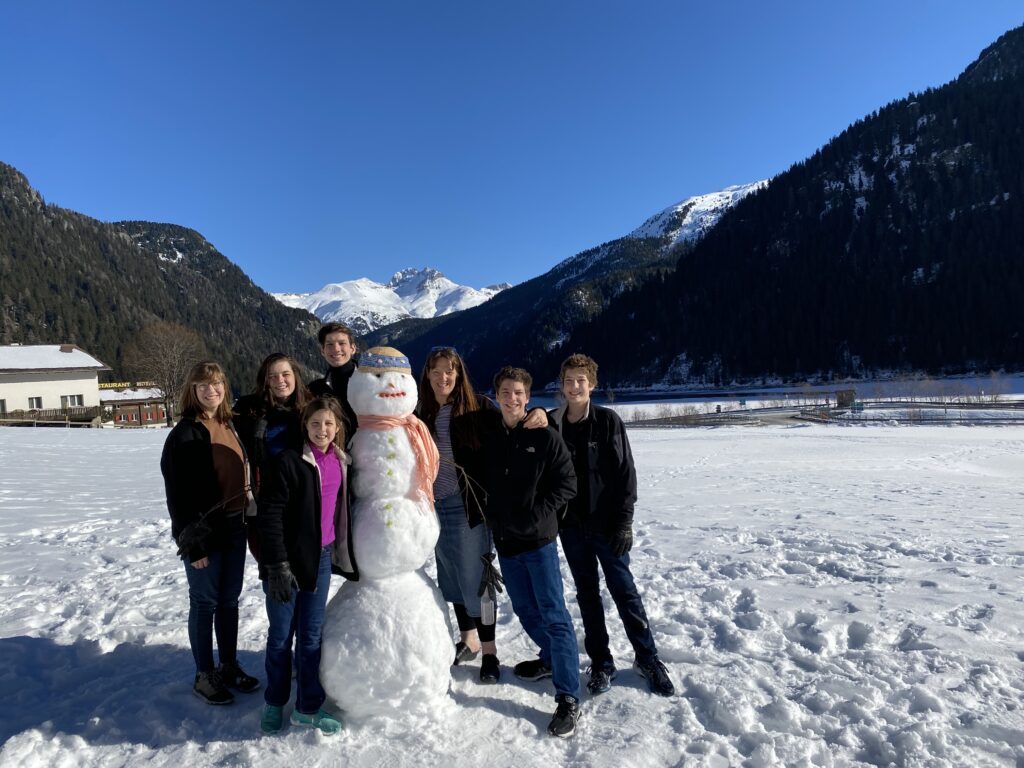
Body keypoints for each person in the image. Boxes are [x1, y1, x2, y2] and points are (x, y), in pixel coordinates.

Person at [550, 353, 675, 697]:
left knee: (624, 590)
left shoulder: (607, 421)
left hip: (607, 526)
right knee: (587, 595)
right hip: (572, 528)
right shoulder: (552, 422)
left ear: (592, 384)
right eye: (569, 380)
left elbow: (625, 474)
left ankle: (647, 658)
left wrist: (624, 522)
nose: (575, 386)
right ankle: (601, 662)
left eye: (581, 380)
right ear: (561, 385)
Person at [477, 366, 581, 738]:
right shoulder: (491, 436)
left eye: (519, 393)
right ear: (496, 395)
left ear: (527, 396)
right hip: (506, 543)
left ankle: (568, 696)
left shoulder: (544, 435)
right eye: (506, 392)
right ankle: (552, 659)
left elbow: (567, 483)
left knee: (554, 614)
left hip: (538, 542)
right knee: (523, 609)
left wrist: (538, 515)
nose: (512, 398)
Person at [160, 361, 261, 705]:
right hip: (204, 531)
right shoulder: (185, 434)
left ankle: (228, 665)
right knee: (205, 602)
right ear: (192, 391)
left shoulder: (230, 424)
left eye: (216, 384)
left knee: (229, 601)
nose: (211, 391)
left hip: (236, 525)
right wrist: (192, 544)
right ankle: (204, 674)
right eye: (202, 385)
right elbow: (179, 495)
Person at [256, 396, 354, 735]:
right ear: (305, 426)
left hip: (322, 557)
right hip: (287, 562)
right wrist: (277, 565)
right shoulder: (288, 462)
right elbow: (269, 517)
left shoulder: (341, 462)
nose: (322, 430)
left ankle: (307, 707)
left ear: (337, 427)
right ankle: (274, 702)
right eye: (315, 423)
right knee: (281, 636)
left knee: (311, 637)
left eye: (328, 423)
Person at [417, 347, 501, 683]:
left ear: (458, 374)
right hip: (436, 508)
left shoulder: (479, 408)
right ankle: (469, 641)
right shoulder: (421, 414)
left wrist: (538, 412)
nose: (442, 378)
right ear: (427, 376)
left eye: (448, 371)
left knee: (478, 583)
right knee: (450, 577)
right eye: (435, 371)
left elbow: (513, 425)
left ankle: (490, 651)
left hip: (469, 508)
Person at [308, 322, 359, 442]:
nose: (336, 349)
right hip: (332, 457)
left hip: (370, 455)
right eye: (329, 344)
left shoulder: (373, 382)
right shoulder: (315, 390)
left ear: (352, 348)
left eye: (342, 343)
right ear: (322, 350)